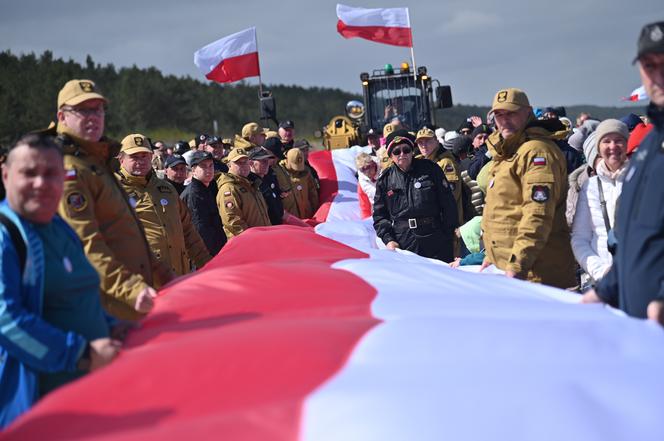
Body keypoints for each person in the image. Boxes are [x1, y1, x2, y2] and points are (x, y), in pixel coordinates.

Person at [0, 134, 120, 428]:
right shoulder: (7, 235)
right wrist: (81, 354)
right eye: (29, 173)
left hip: (88, 398)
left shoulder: (60, 228)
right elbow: (6, 319)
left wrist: (112, 324)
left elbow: (77, 295)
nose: (41, 183)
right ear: (5, 176)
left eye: (51, 174)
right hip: (35, 406)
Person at [50, 79, 172, 320]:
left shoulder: (96, 162)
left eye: (98, 109)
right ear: (62, 117)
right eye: (83, 110)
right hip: (109, 306)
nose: (93, 116)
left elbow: (127, 228)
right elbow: (86, 244)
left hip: (132, 296)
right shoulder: (69, 171)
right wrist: (130, 289)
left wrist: (164, 276)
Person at [582, 21, 664, 325]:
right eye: (649, 65)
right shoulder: (646, 147)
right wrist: (607, 290)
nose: (658, 75)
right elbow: (634, 239)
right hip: (639, 325)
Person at [480, 88, 576, 288]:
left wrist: (517, 265)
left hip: (536, 274)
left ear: (528, 112)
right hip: (510, 270)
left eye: (511, 113)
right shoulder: (507, 152)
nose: (504, 120)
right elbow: (505, 209)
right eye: (499, 114)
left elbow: (537, 215)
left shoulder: (536, 152)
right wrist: (491, 255)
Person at [116, 134, 212, 275]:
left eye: (144, 156)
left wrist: (207, 264)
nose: (141, 161)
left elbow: (188, 231)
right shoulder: (114, 190)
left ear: (151, 157)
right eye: (134, 157)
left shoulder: (166, 189)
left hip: (178, 275)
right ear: (121, 159)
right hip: (143, 281)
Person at [373, 130, 458, 262]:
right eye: (396, 152)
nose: (402, 154)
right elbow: (380, 216)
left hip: (435, 237)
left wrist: (448, 234)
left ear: (412, 151)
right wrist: (389, 240)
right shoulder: (385, 180)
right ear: (390, 156)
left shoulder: (431, 169)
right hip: (404, 240)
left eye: (406, 150)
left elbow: (448, 204)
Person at [571, 120, 629, 284]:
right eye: (606, 141)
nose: (613, 146)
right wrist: (601, 271)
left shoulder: (640, 179)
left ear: (627, 144)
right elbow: (580, 238)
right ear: (598, 147)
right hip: (600, 280)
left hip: (636, 277)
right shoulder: (590, 186)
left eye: (618, 140)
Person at [217, 146, 271, 238]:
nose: (243, 165)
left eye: (245, 162)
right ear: (229, 165)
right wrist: (251, 238)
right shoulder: (229, 188)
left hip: (262, 238)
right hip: (247, 243)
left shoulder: (251, 184)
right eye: (238, 163)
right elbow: (233, 221)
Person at [415, 127, 464, 226]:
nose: (424, 146)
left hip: (449, 222)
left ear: (437, 142)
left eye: (428, 141)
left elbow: (451, 195)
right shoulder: (422, 162)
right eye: (420, 142)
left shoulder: (446, 163)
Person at [181, 151, 227, 255]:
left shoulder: (207, 188)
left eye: (211, 166)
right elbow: (200, 229)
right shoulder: (194, 194)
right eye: (203, 166)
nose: (209, 170)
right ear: (193, 170)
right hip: (206, 253)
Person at [280, 147, 319, 219]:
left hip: (307, 215)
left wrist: (316, 212)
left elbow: (312, 192)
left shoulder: (306, 171)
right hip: (290, 218)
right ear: (287, 160)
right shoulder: (279, 172)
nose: (298, 170)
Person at [356, 152, 379, 218]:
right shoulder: (362, 182)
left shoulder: (384, 170)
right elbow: (364, 206)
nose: (367, 172)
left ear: (373, 164)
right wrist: (366, 221)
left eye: (368, 167)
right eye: (363, 169)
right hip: (378, 211)